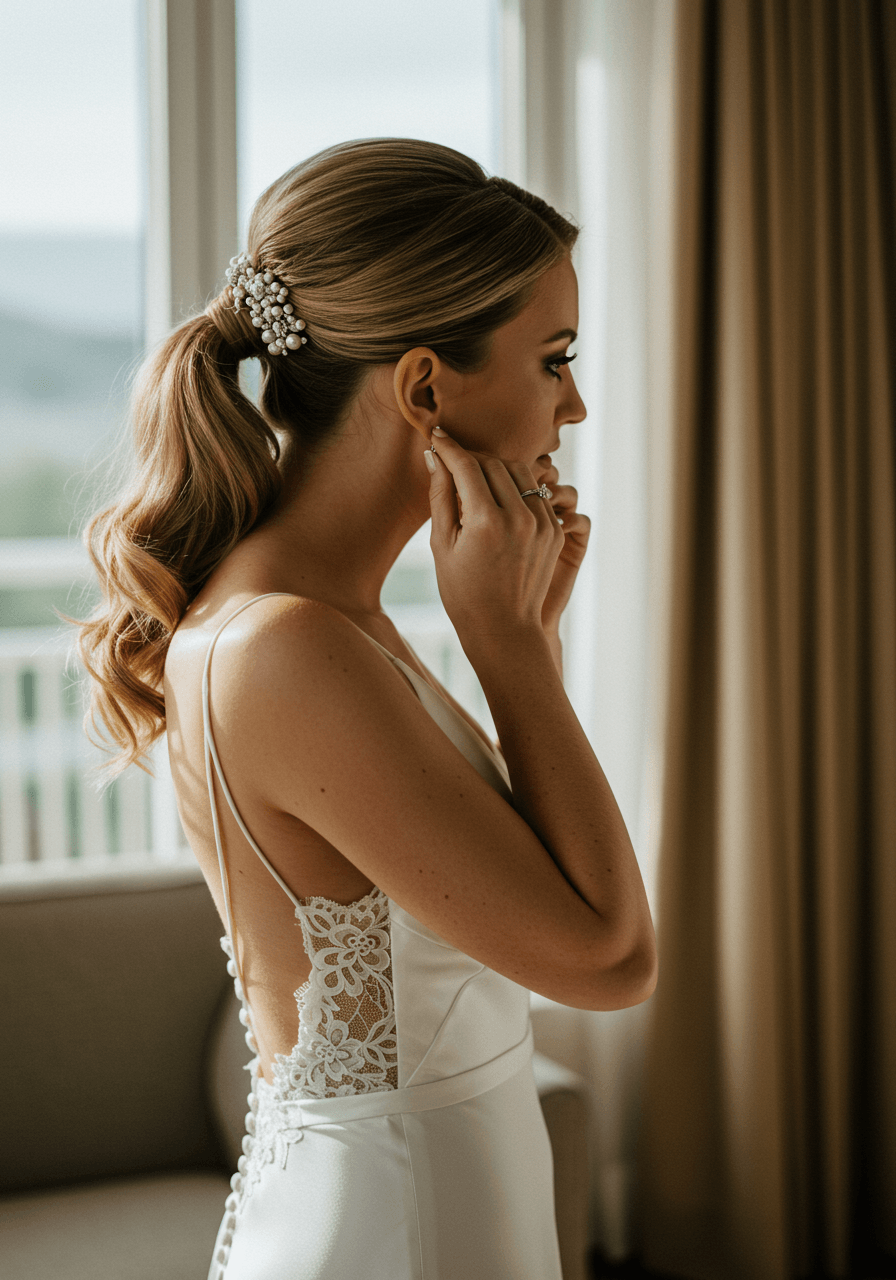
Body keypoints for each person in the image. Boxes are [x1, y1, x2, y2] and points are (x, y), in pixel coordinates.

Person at [78, 138, 657, 1280]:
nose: (574, 403)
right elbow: (609, 956)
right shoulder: (287, 646)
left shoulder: (325, 619)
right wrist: (513, 656)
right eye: (554, 360)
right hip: (401, 1223)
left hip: (426, 1186)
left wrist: (525, 635)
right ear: (425, 387)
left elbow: (525, 900)